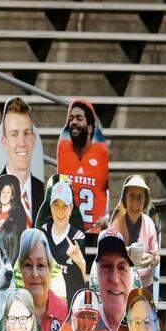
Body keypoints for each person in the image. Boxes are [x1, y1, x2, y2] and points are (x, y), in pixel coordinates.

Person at [56, 99, 109, 233]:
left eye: (79, 118)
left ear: (90, 127)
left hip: (93, 231)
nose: (73, 122)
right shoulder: (63, 149)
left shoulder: (101, 153)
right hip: (68, 230)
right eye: (71, 118)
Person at [16, 228, 66, 331]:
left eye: (41, 265)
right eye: (28, 265)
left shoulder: (68, 314)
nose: (35, 274)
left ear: (50, 269)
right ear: (21, 269)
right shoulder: (9, 314)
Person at [38, 180, 87, 305]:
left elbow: (85, 284)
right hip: (45, 306)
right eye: (56, 205)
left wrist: (81, 262)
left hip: (70, 307)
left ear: (71, 208)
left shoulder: (78, 238)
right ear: (50, 207)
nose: (60, 212)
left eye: (65, 206)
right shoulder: (42, 233)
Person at [107, 175, 160, 289]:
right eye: (131, 196)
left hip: (144, 284)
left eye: (140, 197)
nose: (135, 203)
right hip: (121, 284)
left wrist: (151, 259)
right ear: (125, 198)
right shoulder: (116, 224)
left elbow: (156, 257)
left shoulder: (149, 223)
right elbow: (108, 254)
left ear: (145, 200)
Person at [0, 97, 43, 217]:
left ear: (33, 139)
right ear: (4, 142)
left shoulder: (44, 193)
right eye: (14, 134)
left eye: (26, 133)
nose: (22, 143)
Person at [94, 230, 135, 331]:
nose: (115, 279)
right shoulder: (83, 327)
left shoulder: (146, 327)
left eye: (122, 267)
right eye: (106, 266)